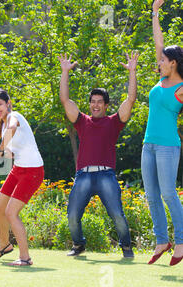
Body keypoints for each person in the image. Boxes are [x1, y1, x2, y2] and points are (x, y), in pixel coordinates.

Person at [59, 51, 139, 258]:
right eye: (92, 101)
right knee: (73, 215)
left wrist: (132, 71)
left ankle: (126, 247)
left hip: (106, 176)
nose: (95, 105)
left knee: (117, 215)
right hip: (83, 176)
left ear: (106, 105)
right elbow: (65, 99)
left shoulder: (114, 122)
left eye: (99, 102)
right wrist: (65, 72)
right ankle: (78, 245)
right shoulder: (81, 120)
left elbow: (130, 99)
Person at [0, 88, 44, 266]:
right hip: (19, 169)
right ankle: (5, 245)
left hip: (32, 171)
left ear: (8, 103)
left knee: (11, 212)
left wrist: (0, 148)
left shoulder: (13, 117)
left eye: (0, 104)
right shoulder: (0, 127)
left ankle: (25, 258)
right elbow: (8, 154)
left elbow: (12, 127)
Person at [143, 0, 183, 266]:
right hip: (149, 144)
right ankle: (161, 240)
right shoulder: (161, 78)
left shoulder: (181, 87)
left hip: (168, 146)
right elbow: (159, 41)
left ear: (174, 63)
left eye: (163, 60)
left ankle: (180, 242)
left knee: (169, 193)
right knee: (151, 195)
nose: (159, 62)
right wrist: (155, 12)